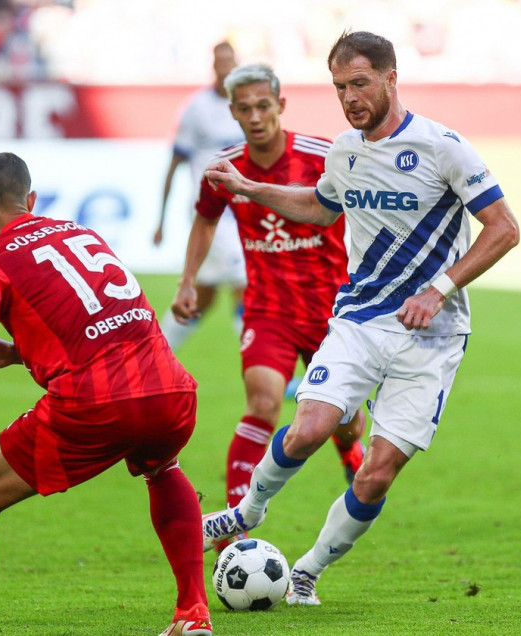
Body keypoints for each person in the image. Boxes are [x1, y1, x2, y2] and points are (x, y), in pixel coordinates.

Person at [198, 31, 520, 605]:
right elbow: (320, 208)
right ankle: (247, 510)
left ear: (392, 78)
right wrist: (249, 189)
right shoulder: (345, 150)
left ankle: (307, 572)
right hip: (361, 319)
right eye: (340, 86)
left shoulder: (443, 146)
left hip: (433, 335)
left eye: (360, 83)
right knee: (311, 426)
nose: (349, 97)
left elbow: (504, 228)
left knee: (374, 475)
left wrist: (439, 289)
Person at [0, 153, 213, 636]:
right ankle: (193, 613)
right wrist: (19, 354)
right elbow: (97, 319)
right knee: (162, 468)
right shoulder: (83, 234)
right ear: (31, 199)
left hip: (95, 405)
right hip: (171, 389)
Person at [170, 62, 366, 533]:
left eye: (263, 106)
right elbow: (205, 218)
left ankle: (352, 453)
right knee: (263, 403)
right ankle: (235, 523)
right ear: (233, 112)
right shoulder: (224, 166)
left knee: (346, 423)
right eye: (245, 109)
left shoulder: (323, 156)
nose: (255, 116)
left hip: (331, 309)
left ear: (280, 105)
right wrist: (188, 281)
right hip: (268, 308)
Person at [153, 40, 247, 350]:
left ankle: (156, 352)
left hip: (242, 212)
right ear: (213, 66)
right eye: (219, 63)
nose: (224, 69)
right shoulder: (197, 107)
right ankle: (269, 370)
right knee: (247, 283)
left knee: (203, 295)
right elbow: (175, 163)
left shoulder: (248, 106)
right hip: (211, 213)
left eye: (229, 62)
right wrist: (161, 220)